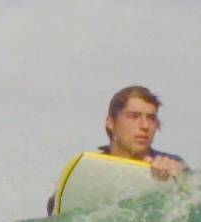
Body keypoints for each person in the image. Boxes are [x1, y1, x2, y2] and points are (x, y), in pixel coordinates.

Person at [46, 85, 187, 214]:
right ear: (111, 123)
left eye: (151, 118)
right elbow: (55, 210)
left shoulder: (172, 164)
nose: (145, 126)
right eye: (134, 116)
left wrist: (179, 181)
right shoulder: (91, 169)